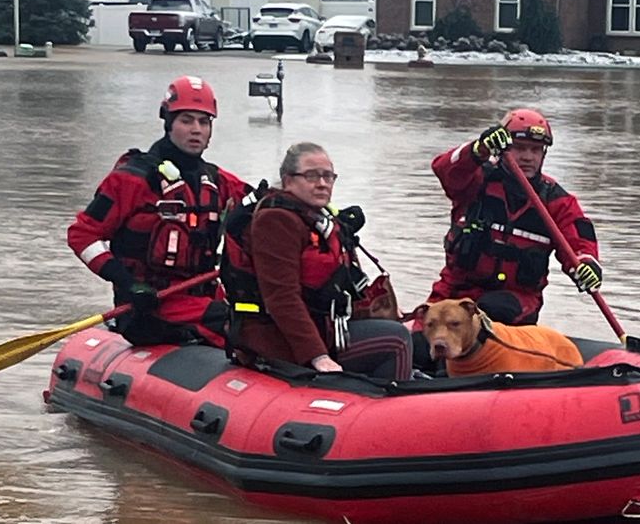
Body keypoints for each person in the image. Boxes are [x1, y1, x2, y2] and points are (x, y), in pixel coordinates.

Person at [67, 75, 250, 347]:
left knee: (257, 316)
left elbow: (266, 209)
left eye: (204, 122)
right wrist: (128, 284)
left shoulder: (218, 181)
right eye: (186, 120)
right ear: (168, 123)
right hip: (149, 306)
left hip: (204, 299)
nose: (196, 130)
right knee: (236, 325)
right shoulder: (131, 179)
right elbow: (82, 236)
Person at [220, 142, 413, 381]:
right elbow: (281, 297)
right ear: (288, 180)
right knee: (396, 341)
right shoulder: (276, 220)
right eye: (311, 176)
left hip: (326, 326)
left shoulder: (317, 217)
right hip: (278, 339)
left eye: (328, 176)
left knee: (413, 337)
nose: (322, 183)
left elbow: (342, 280)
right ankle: (391, 406)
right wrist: (317, 356)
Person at [426, 108, 602, 326]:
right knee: (421, 340)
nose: (528, 157)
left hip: (517, 300)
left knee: (492, 309)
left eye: (535, 150)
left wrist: (586, 265)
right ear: (503, 149)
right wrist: (478, 149)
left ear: (543, 154)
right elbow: (444, 168)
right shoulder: (476, 181)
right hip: (455, 291)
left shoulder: (558, 202)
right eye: (519, 148)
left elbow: (580, 242)